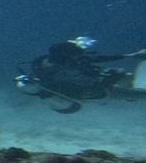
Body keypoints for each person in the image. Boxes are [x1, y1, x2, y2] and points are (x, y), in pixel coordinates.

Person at [15, 37, 146, 113]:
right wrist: (114, 76)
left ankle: (130, 93)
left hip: (89, 85)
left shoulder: (50, 61)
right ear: (68, 56)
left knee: (126, 76)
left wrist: (129, 55)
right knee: (141, 94)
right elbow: (92, 87)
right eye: (77, 54)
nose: (81, 56)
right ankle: (132, 95)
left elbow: (95, 59)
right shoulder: (64, 71)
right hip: (93, 94)